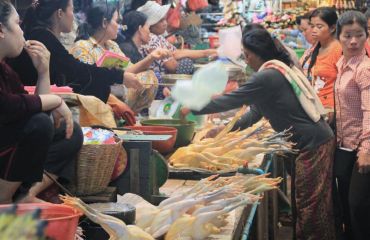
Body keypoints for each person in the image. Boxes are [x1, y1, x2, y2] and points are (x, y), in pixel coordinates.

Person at [182, 28, 336, 240]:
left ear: (254, 53)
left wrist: (192, 105)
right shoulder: (274, 71)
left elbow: (232, 100)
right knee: (304, 204)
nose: (246, 59)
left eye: (246, 54)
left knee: (310, 208)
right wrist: (223, 129)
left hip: (313, 144)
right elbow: (255, 112)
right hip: (308, 143)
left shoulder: (267, 76)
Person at [0, 0, 83, 203]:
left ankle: (23, 195)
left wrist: (43, 72)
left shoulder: (6, 70)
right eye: (18, 24)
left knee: (68, 131)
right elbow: (7, 107)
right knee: (38, 124)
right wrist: (54, 99)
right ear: (1, 30)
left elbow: (35, 109)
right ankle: (3, 198)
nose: (22, 32)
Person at [7, 0, 142, 105]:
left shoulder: (43, 34)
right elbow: (77, 70)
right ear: (60, 13)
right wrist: (119, 76)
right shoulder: (42, 37)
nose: (74, 16)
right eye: (72, 10)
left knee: (98, 87)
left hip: (38, 96)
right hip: (30, 99)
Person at [70, 3, 170, 119]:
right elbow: (87, 84)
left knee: (149, 77)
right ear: (104, 23)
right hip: (95, 100)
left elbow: (128, 71)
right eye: (116, 21)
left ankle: (128, 116)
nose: (120, 26)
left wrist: (151, 57)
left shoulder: (112, 46)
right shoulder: (82, 47)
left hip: (117, 93)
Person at [334, 11, 370, 240]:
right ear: (339, 37)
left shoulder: (364, 69)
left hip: (361, 149)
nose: (354, 41)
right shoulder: (342, 64)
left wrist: (366, 149)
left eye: (359, 34)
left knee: (359, 207)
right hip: (345, 146)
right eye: (348, 35)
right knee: (346, 205)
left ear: (367, 36)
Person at [138, 1, 217, 75]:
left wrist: (206, 52)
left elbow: (175, 53)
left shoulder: (158, 37)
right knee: (186, 63)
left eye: (165, 19)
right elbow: (172, 67)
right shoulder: (152, 39)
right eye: (160, 21)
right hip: (158, 82)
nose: (165, 23)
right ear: (151, 25)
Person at [119, 10, 172, 100]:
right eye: (147, 28)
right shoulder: (127, 49)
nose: (149, 33)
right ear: (140, 29)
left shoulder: (134, 48)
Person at [301, 7, 342, 117]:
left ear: (332, 28)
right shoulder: (314, 47)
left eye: (319, 26)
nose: (314, 30)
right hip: (313, 107)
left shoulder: (339, 50)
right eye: (312, 26)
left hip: (330, 110)